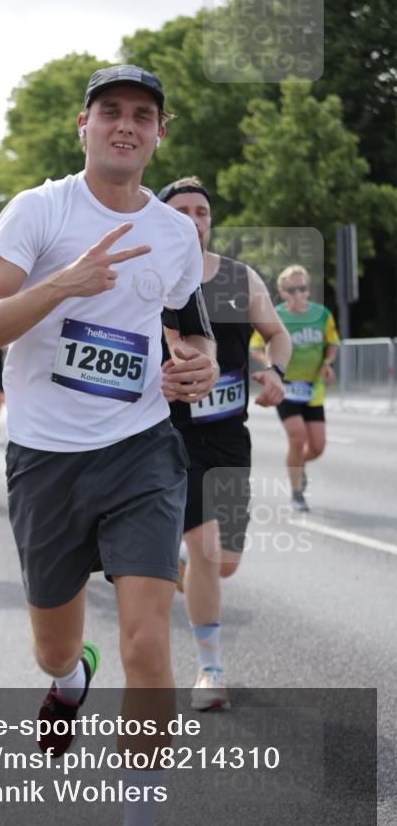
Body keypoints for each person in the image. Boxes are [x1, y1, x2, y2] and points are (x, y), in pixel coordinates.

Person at [0, 65, 218, 826]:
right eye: (110, 112)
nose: (125, 125)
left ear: (158, 134)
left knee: (146, 643)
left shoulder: (173, 233)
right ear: (84, 124)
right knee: (53, 643)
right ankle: (69, 679)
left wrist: (197, 364)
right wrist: (61, 286)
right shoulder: (38, 211)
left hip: (140, 450)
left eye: (142, 115)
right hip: (44, 457)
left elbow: (192, 327)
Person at [158, 178, 291, 711]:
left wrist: (275, 370)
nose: (194, 219)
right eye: (182, 211)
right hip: (172, 438)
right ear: (164, 219)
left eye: (202, 211)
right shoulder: (150, 281)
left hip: (230, 438)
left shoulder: (239, 277)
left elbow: (277, 334)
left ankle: (165, 565)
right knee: (208, 548)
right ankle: (211, 670)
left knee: (224, 561)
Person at [250, 264, 338, 511]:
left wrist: (328, 363)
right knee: (297, 437)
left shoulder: (322, 315)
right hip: (286, 388)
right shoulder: (275, 316)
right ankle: (297, 492)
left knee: (318, 447)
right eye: (292, 289)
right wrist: (272, 367)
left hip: (313, 389)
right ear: (282, 292)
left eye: (303, 288)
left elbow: (332, 343)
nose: (298, 294)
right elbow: (256, 347)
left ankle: (298, 466)